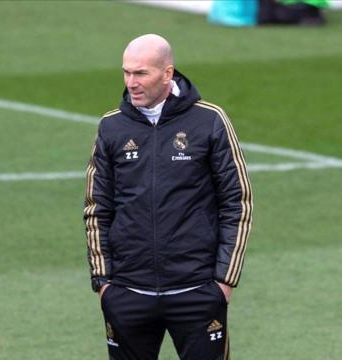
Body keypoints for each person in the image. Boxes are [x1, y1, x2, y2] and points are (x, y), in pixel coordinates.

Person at [84, 34, 253, 360]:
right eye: (126, 72)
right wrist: (104, 283)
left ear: (168, 73)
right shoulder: (111, 128)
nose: (131, 83)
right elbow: (96, 208)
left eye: (141, 73)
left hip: (197, 291)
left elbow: (238, 200)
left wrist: (224, 281)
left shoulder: (210, 121)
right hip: (128, 292)